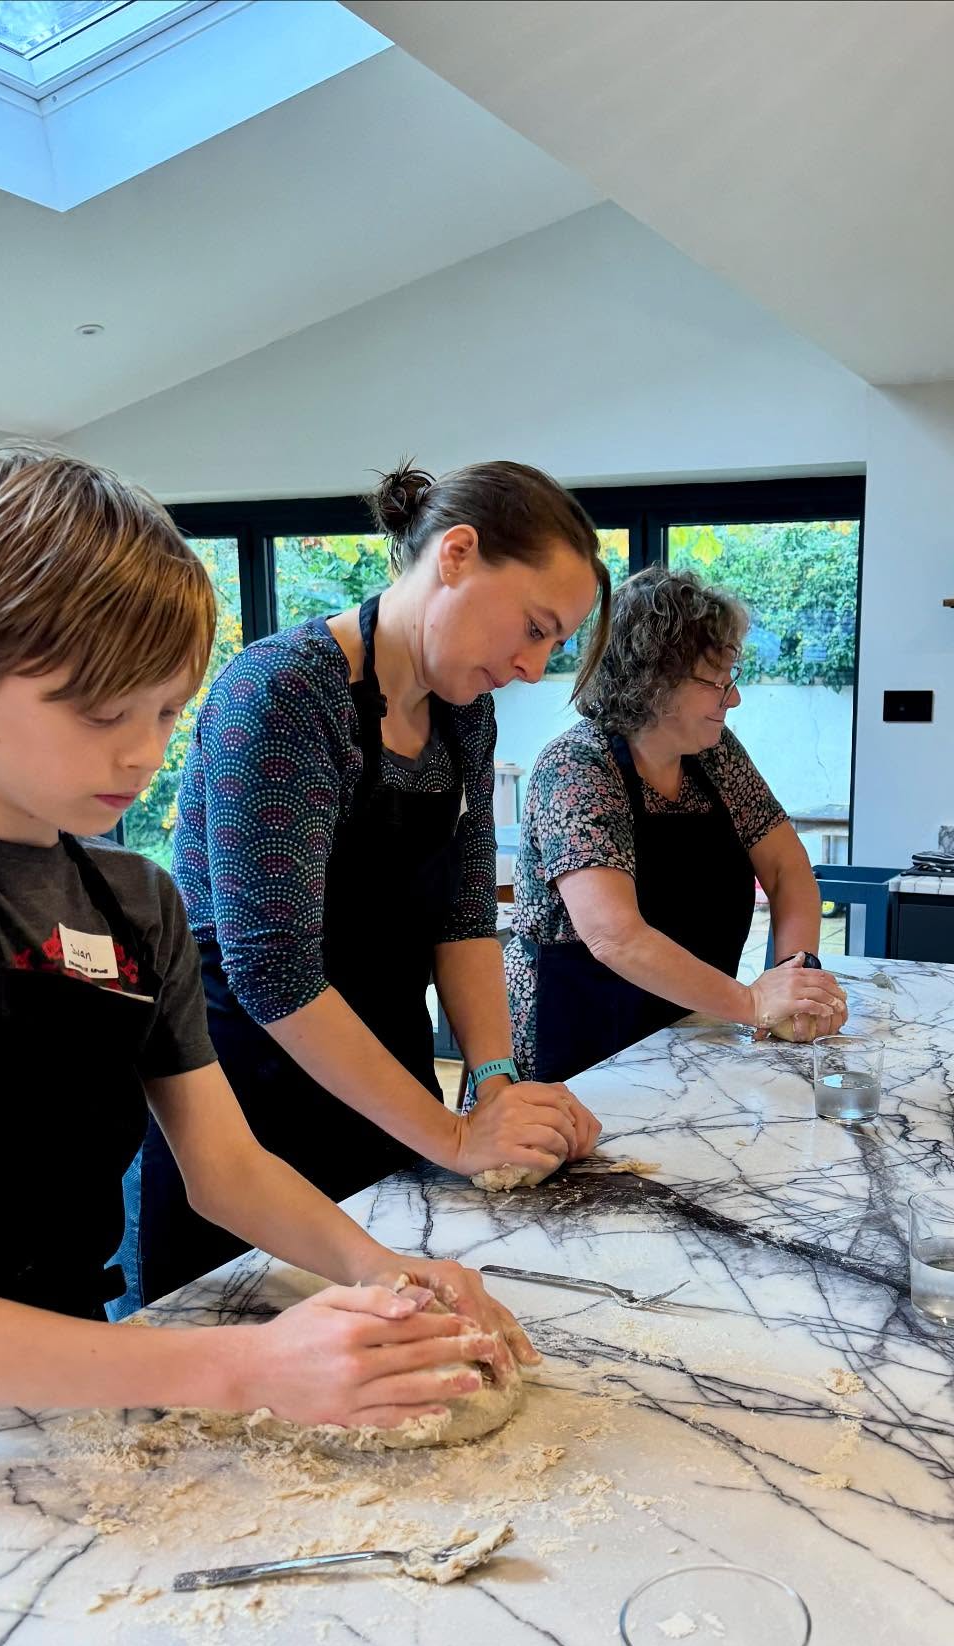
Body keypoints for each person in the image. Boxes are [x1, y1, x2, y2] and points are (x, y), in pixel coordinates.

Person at [0, 445, 535, 1430]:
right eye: (104, 711)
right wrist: (238, 1366)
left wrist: (394, 1273)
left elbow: (226, 1169)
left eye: (163, 710)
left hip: (65, 1390)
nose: (144, 752)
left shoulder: (133, 904)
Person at [139, 461, 606, 1293]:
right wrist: (456, 1139)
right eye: (534, 628)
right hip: (252, 1111)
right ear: (456, 555)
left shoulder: (465, 711)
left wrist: (494, 1086)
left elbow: (464, 915)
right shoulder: (282, 693)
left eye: (555, 645)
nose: (535, 666)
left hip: (390, 1099)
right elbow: (272, 969)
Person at [505, 566, 848, 1082]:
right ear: (655, 682)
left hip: (684, 1027)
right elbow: (613, 937)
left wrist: (792, 979)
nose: (733, 698)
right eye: (718, 680)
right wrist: (752, 1002)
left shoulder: (714, 756)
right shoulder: (576, 767)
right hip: (575, 1044)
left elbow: (786, 869)